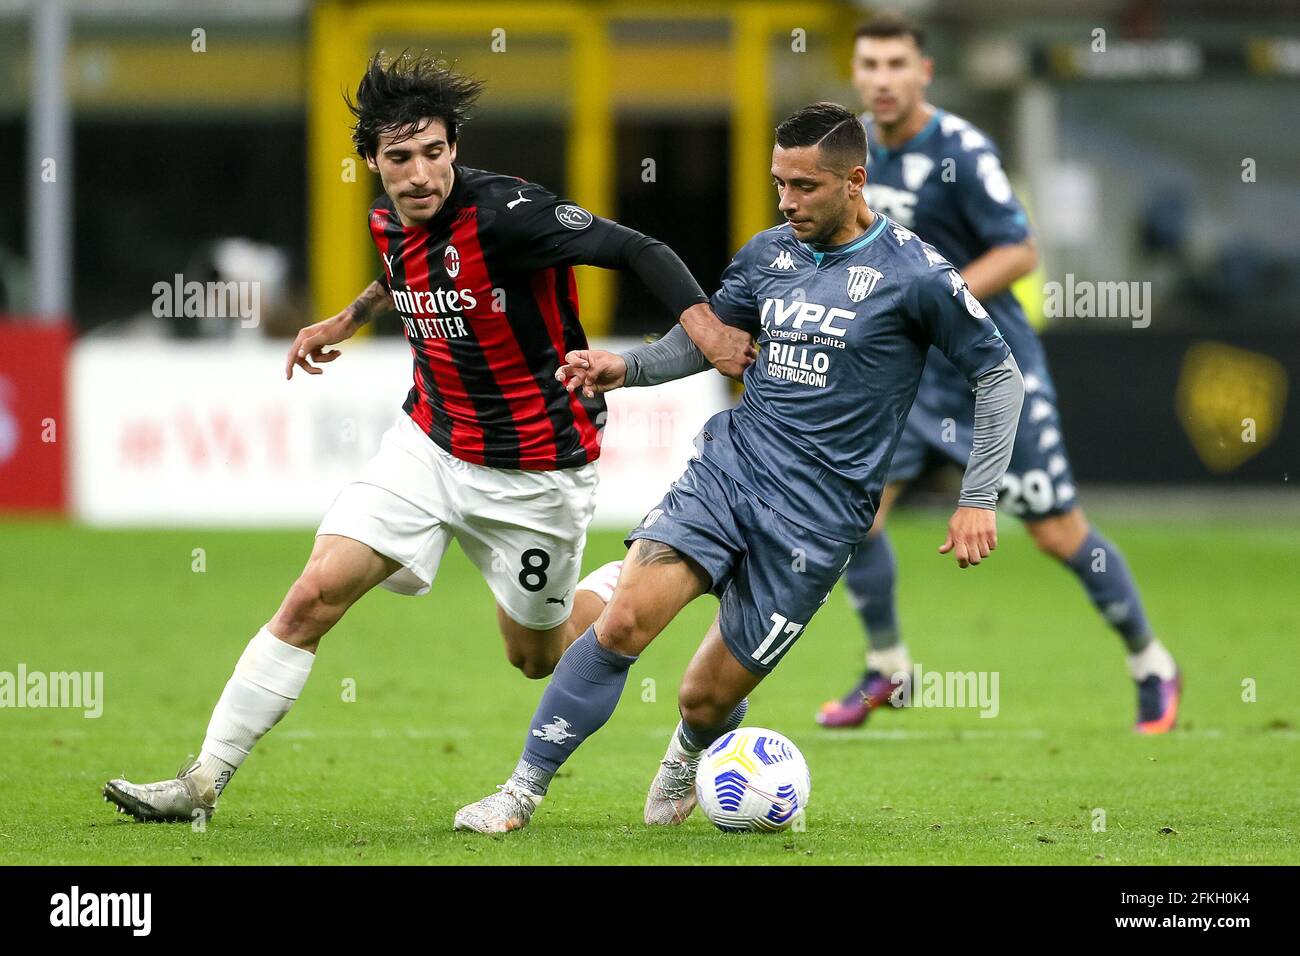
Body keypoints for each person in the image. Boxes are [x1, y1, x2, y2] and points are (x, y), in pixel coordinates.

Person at [103, 52, 752, 823]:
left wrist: (708, 329)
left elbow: (637, 248)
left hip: (535, 472)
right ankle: (201, 782)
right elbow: (400, 270)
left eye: (435, 152)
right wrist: (350, 316)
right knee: (314, 593)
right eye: (400, 157)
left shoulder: (512, 215)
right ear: (373, 163)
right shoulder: (385, 219)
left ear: (455, 149)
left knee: (536, 656)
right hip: (428, 445)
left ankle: (624, 583)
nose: (420, 174)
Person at [453, 101, 1025, 833]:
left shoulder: (915, 276)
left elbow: (999, 376)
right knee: (625, 623)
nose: (787, 202)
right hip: (731, 472)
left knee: (702, 699)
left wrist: (977, 498)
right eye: (779, 183)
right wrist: (623, 366)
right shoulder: (766, 255)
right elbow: (706, 341)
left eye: (805, 186)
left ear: (855, 181)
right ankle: (521, 791)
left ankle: (687, 753)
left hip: (819, 522)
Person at [816, 13, 1180, 734]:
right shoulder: (847, 151)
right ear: (856, 73)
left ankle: (1152, 663)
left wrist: (934, 301)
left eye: (897, 65)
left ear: (923, 72)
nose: (882, 79)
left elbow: (1019, 251)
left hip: (988, 369)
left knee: (1055, 531)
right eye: (870, 65)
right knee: (855, 515)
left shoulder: (962, 149)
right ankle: (889, 667)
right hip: (909, 377)